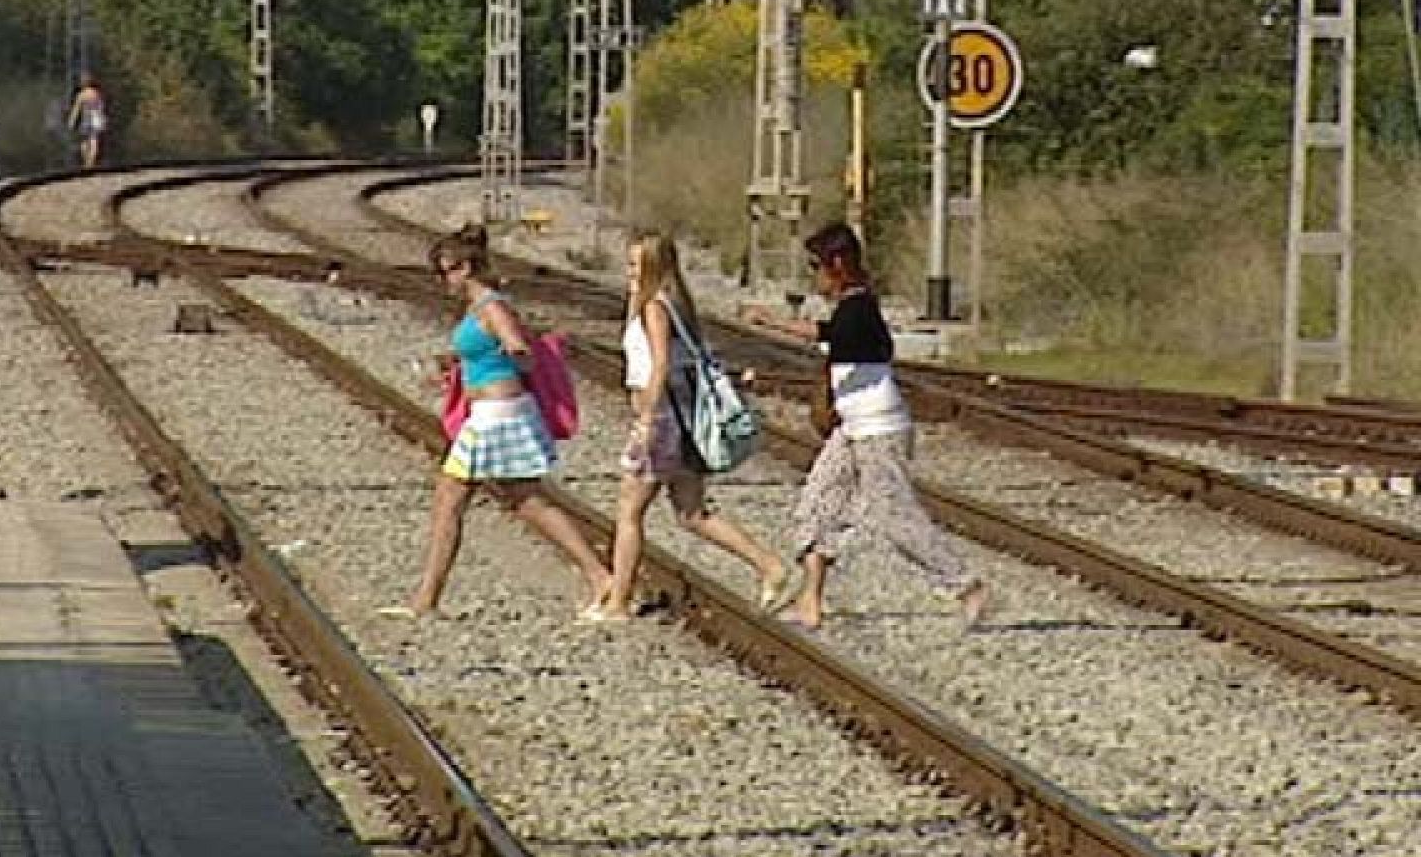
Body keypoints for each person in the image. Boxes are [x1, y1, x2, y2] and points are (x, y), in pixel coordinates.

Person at [741, 222, 992, 630]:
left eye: (817, 266)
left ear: (838, 264)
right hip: (853, 428)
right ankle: (810, 601)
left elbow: (834, 338)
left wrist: (772, 322)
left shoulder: (859, 308)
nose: (815, 276)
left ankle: (966, 586)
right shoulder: (853, 307)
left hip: (879, 429)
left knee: (895, 517)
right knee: (817, 504)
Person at [383, 224, 612, 619]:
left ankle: (426, 601)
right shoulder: (480, 307)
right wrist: (456, 367)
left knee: (470, 500)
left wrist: (512, 356)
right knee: (518, 500)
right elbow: (486, 352)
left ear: (467, 267)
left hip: (496, 417)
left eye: (448, 270)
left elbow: (519, 349)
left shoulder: (492, 306)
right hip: (491, 414)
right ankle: (599, 576)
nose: (444, 280)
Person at [588, 230, 792, 622]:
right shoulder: (673, 304)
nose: (629, 271)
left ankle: (618, 603)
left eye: (636, 265)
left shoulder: (655, 308)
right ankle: (770, 566)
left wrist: (646, 417)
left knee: (629, 511)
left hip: (660, 422)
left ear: (653, 266)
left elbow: (660, 363)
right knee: (692, 513)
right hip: (679, 421)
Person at [67, 75, 108, 169]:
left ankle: (87, 163)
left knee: (84, 141)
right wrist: (103, 120)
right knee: (95, 141)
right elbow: (102, 108)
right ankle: (90, 164)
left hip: (86, 119)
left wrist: (72, 121)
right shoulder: (97, 94)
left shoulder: (82, 94)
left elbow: (76, 109)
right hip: (97, 119)